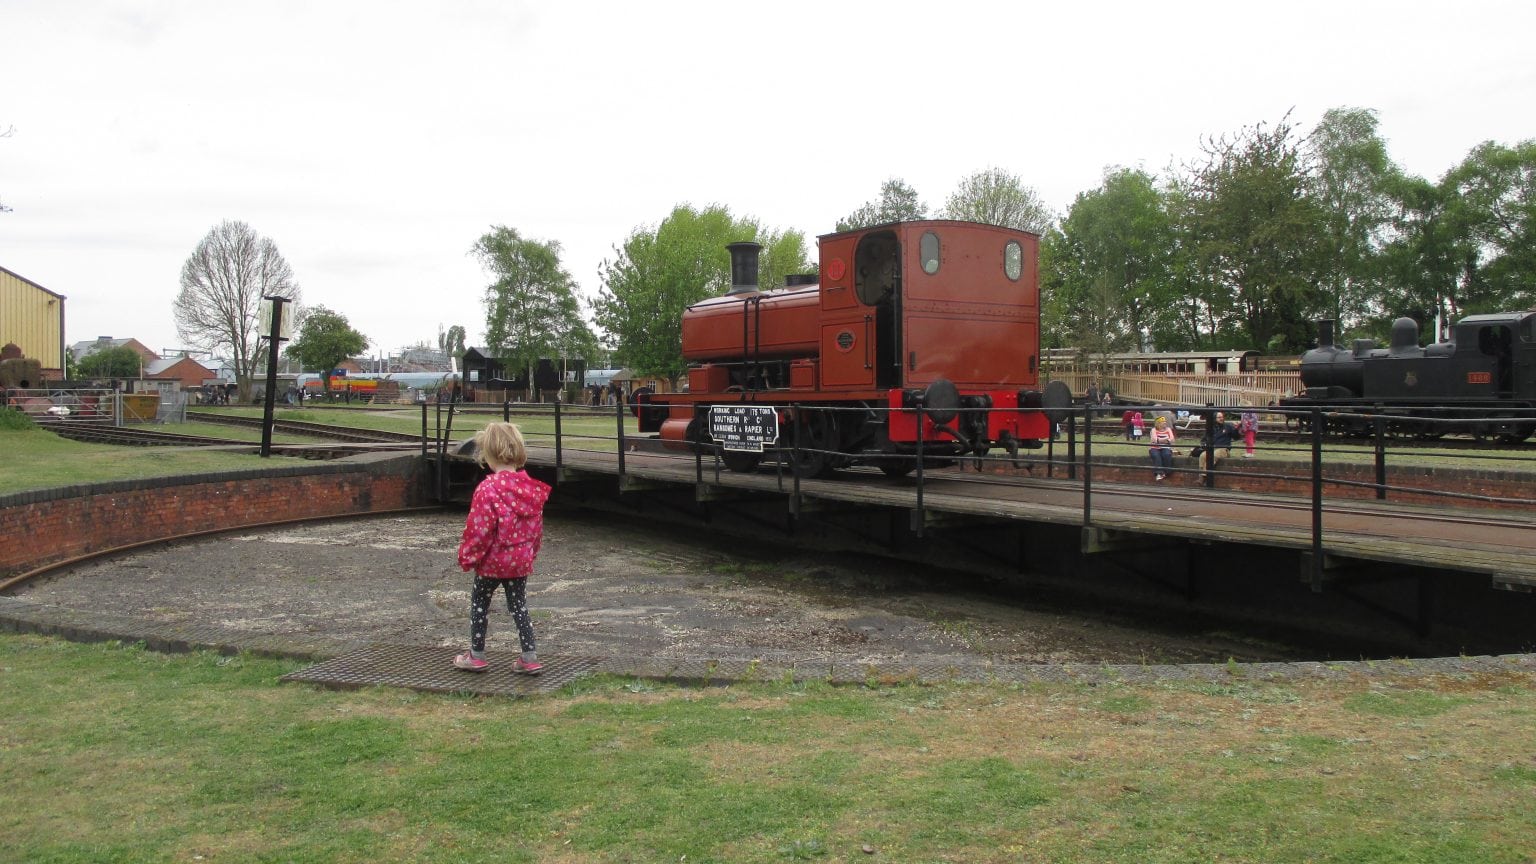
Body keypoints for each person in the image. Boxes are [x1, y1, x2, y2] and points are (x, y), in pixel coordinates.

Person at [453, 422, 552, 675]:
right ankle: (529, 658)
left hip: (491, 562)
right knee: (519, 605)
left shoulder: (487, 489)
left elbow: (479, 530)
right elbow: (536, 530)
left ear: (488, 454)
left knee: (479, 602)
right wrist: (531, 554)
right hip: (520, 560)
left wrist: (468, 557)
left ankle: (476, 655)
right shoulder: (531, 489)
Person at [1147, 415, 1176, 481]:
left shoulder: (1168, 429)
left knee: (1167, 454)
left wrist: (1162, 440)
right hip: (1155, 447)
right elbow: (1154, 440)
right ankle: (1159, 473)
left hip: (1165, 447)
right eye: (1163, 422)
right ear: (1159, 423)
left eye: (1165, 422)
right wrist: (1166, 439)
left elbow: (1172, 439)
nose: (1165, 423)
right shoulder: (1153, 430)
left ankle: (1166, 472)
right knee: (1156, 455)